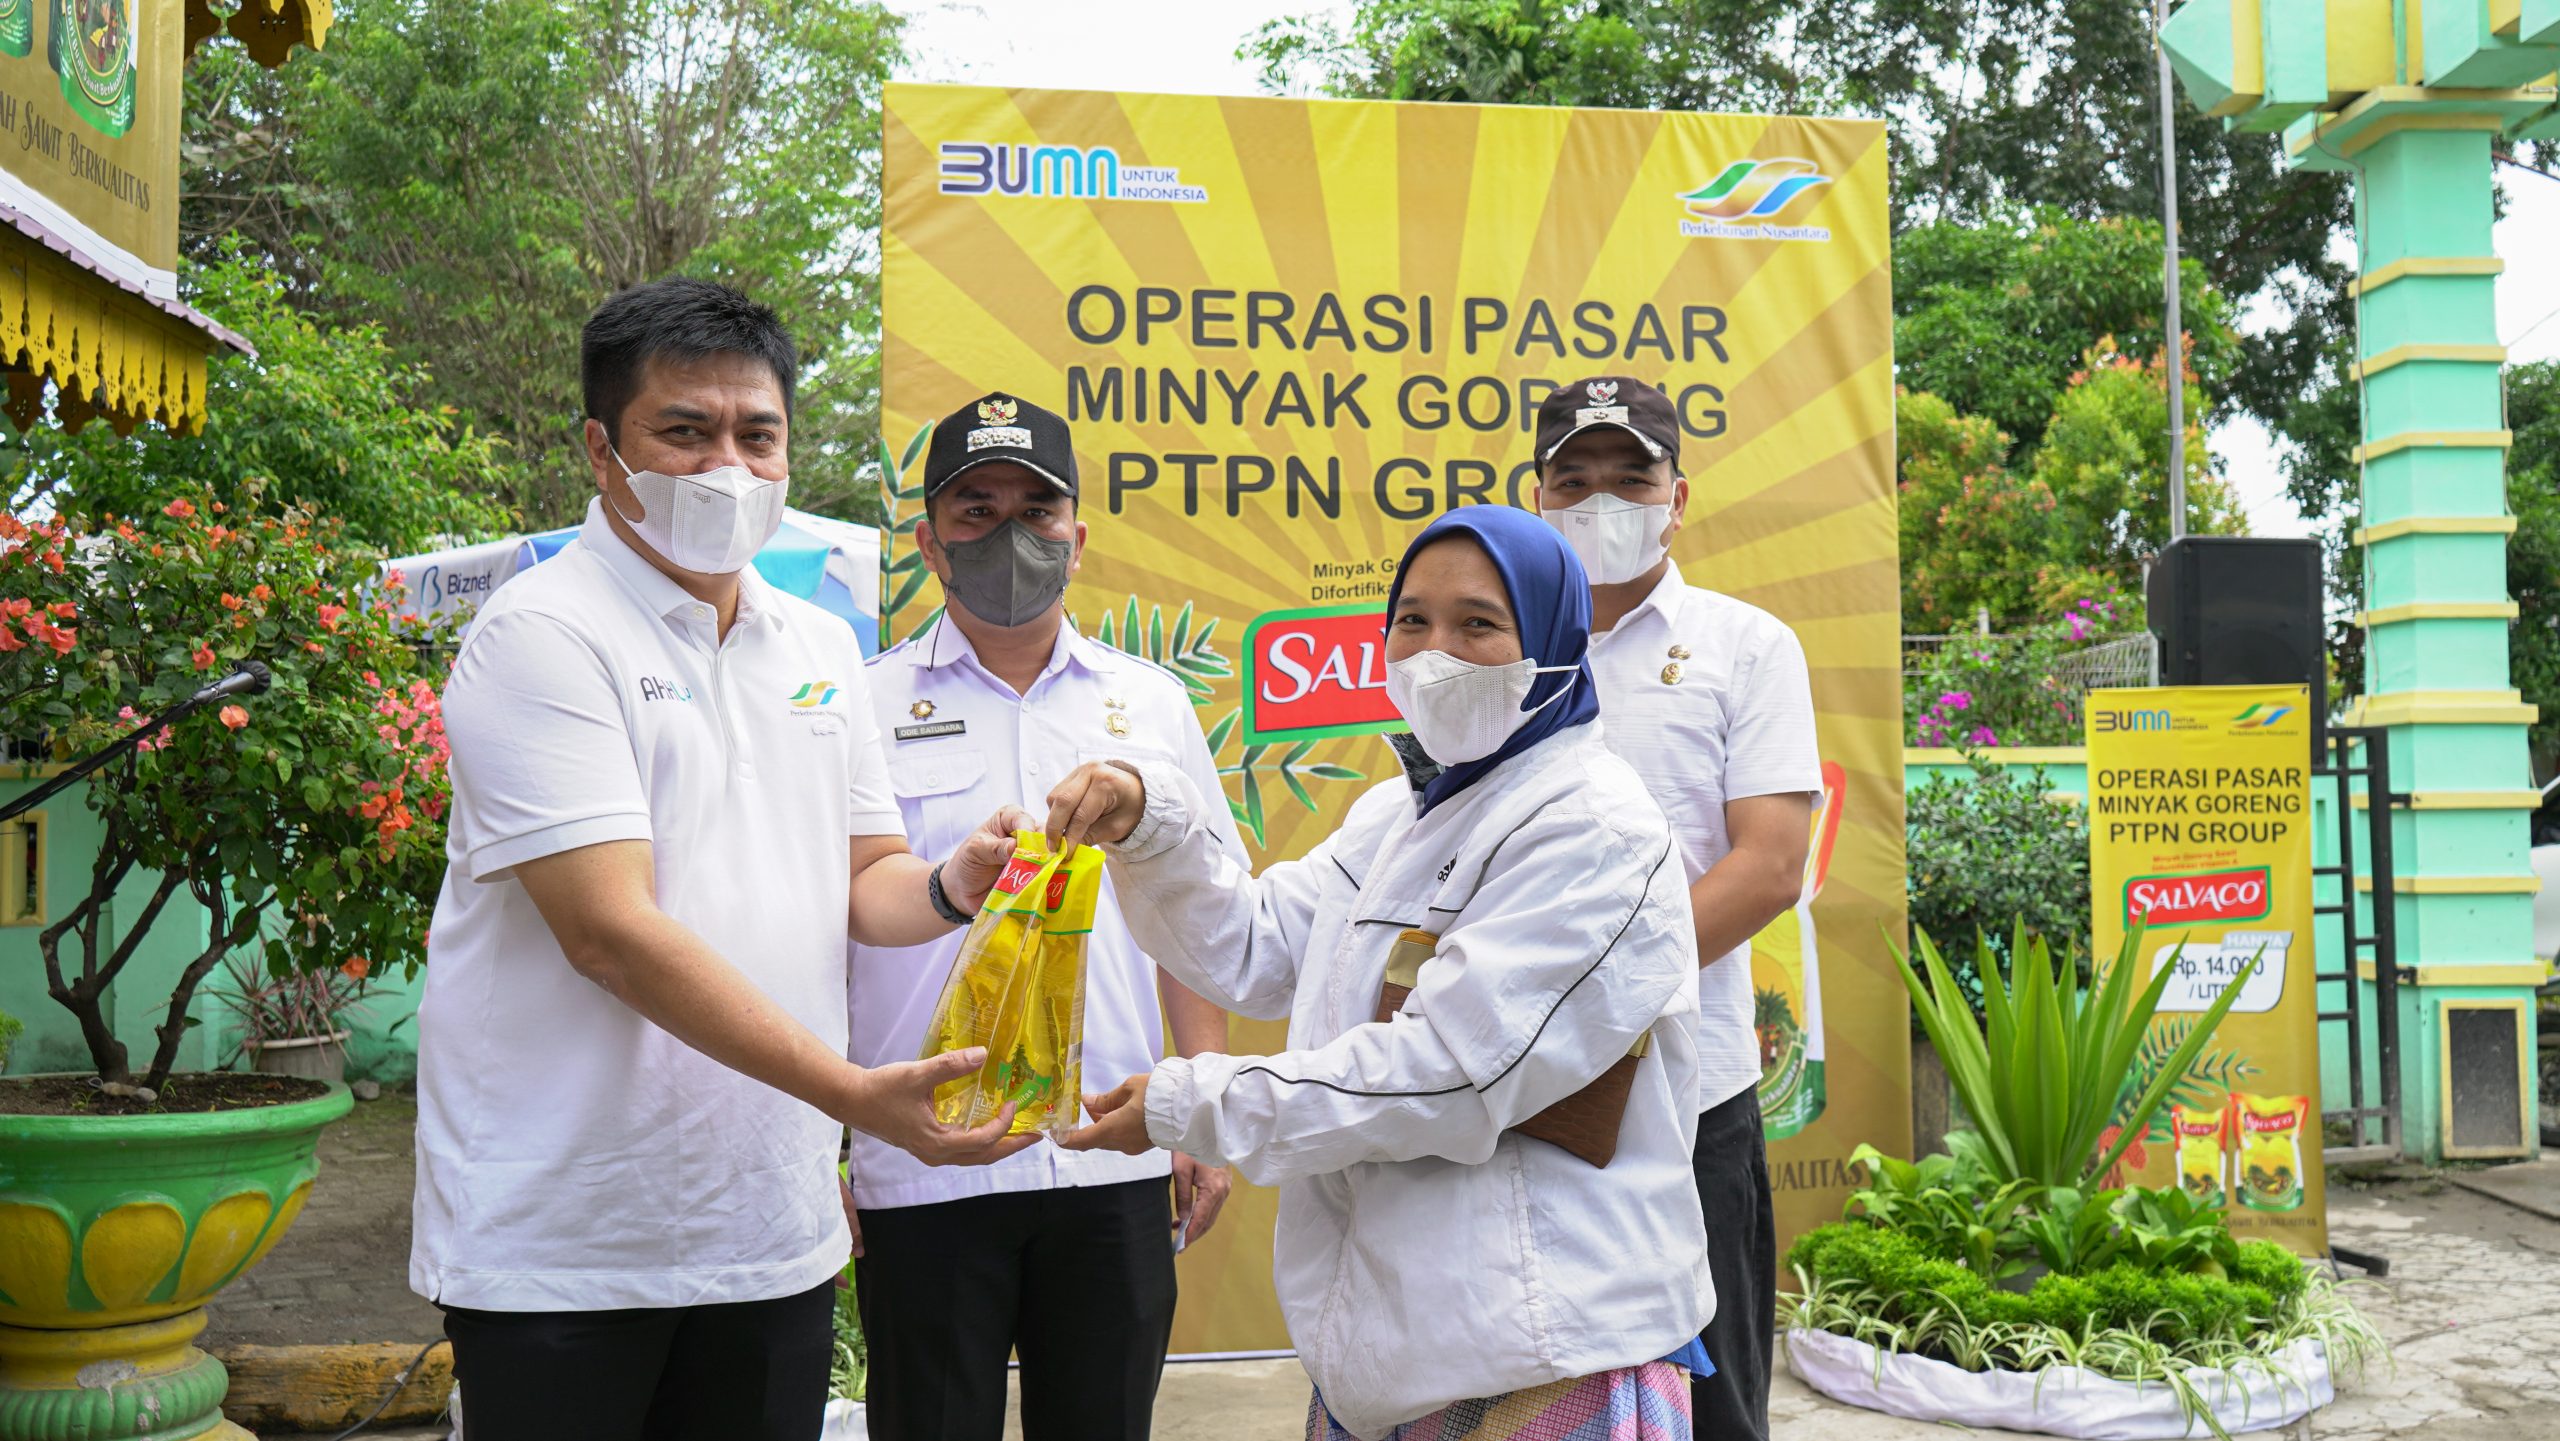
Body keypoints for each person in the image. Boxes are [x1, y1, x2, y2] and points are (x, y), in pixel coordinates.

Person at [412, 279, 1036, 1441]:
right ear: (601, 449)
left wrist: (952, 885)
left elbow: (866, 880)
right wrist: (853, 1096)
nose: (728, 469)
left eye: (758, 435)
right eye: (684, 432)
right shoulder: (542, 633)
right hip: (568, 1247)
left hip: (767, 1234)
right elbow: (609, 931)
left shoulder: (818, 645)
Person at [1043, 506, 1711, 1441]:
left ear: (1553, 643)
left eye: (1478, 623)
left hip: (1547, 1350)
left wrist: (1195, 1101)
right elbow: (1254, 946)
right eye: (1412, 620)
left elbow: (1448, 1074)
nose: (1435, 652)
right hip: (1389, 1351)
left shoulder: (1594, 827)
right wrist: (1148, 820)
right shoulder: (1398, 817)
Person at [847, 391, 1239, 1441]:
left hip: (1109, 1147)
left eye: (1036, 509)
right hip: (928, 1158)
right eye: (975, 510)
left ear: (1077, 535)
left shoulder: (1149, 704)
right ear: (929, 540)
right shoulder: (859, 705)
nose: (1009, 535)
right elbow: (821, 930)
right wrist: (820, 1147)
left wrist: (1199, 1109)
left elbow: (1197, 919)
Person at [1532, 376, 1822, 1441]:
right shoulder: (1498, 649)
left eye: (1630, 478)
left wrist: (1585, 996)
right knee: (1538, 1392)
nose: (1602, 502)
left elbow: (1770, 865)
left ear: (1678, 496)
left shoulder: (1747, 645)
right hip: (1519, 1093)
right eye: (1574, 481)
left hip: (1689, 1091)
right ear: (1535, 499)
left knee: (1712, 1404)